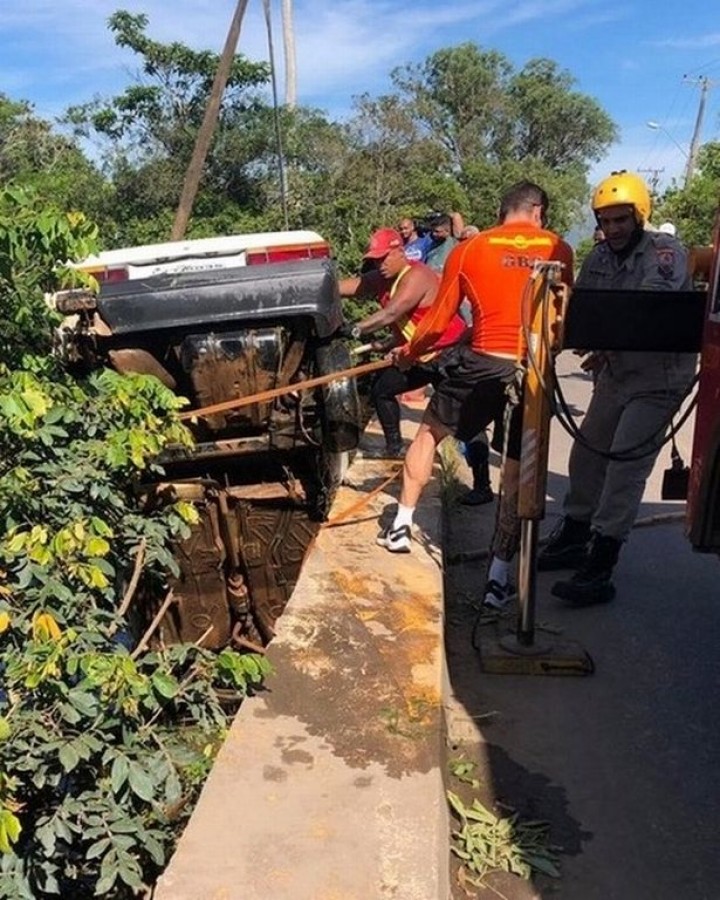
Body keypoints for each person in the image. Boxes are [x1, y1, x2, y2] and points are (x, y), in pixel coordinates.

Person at [376, 182, 574, 560]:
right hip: (531, 370)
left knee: (429, 434)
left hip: (481, 362)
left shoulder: (470, 250)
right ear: (537, 212)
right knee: (516, 469)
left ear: (502, 212)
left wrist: (410, 353)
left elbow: (436, 322)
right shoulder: (559, 249)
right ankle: (500, 574)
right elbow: (560, 322)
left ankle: (401, 524)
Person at [538, 170, 697, 606]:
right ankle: (574, 534)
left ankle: (601, 563)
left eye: (620, 221)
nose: (612, 230)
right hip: (616, 372)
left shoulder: (665, 253)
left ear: (639, 216)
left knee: (625, 465)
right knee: (587, 453)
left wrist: (604, 343)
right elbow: (586, 305)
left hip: (657, 377)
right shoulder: (599, 257)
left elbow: (643, 312)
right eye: (605, 221)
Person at [339, 227, 469, 459]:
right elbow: (349, 287)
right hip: (418, 355)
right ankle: (394, 448)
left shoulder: (417, 275)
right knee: (382, 390)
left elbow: (392, 313)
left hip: (449, 353)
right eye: (375, 260)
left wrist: (355, 329)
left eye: (384, 258)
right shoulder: (382, 279)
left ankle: (481, 484)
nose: (380, 265)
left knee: (465, 417)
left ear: (400, 251)